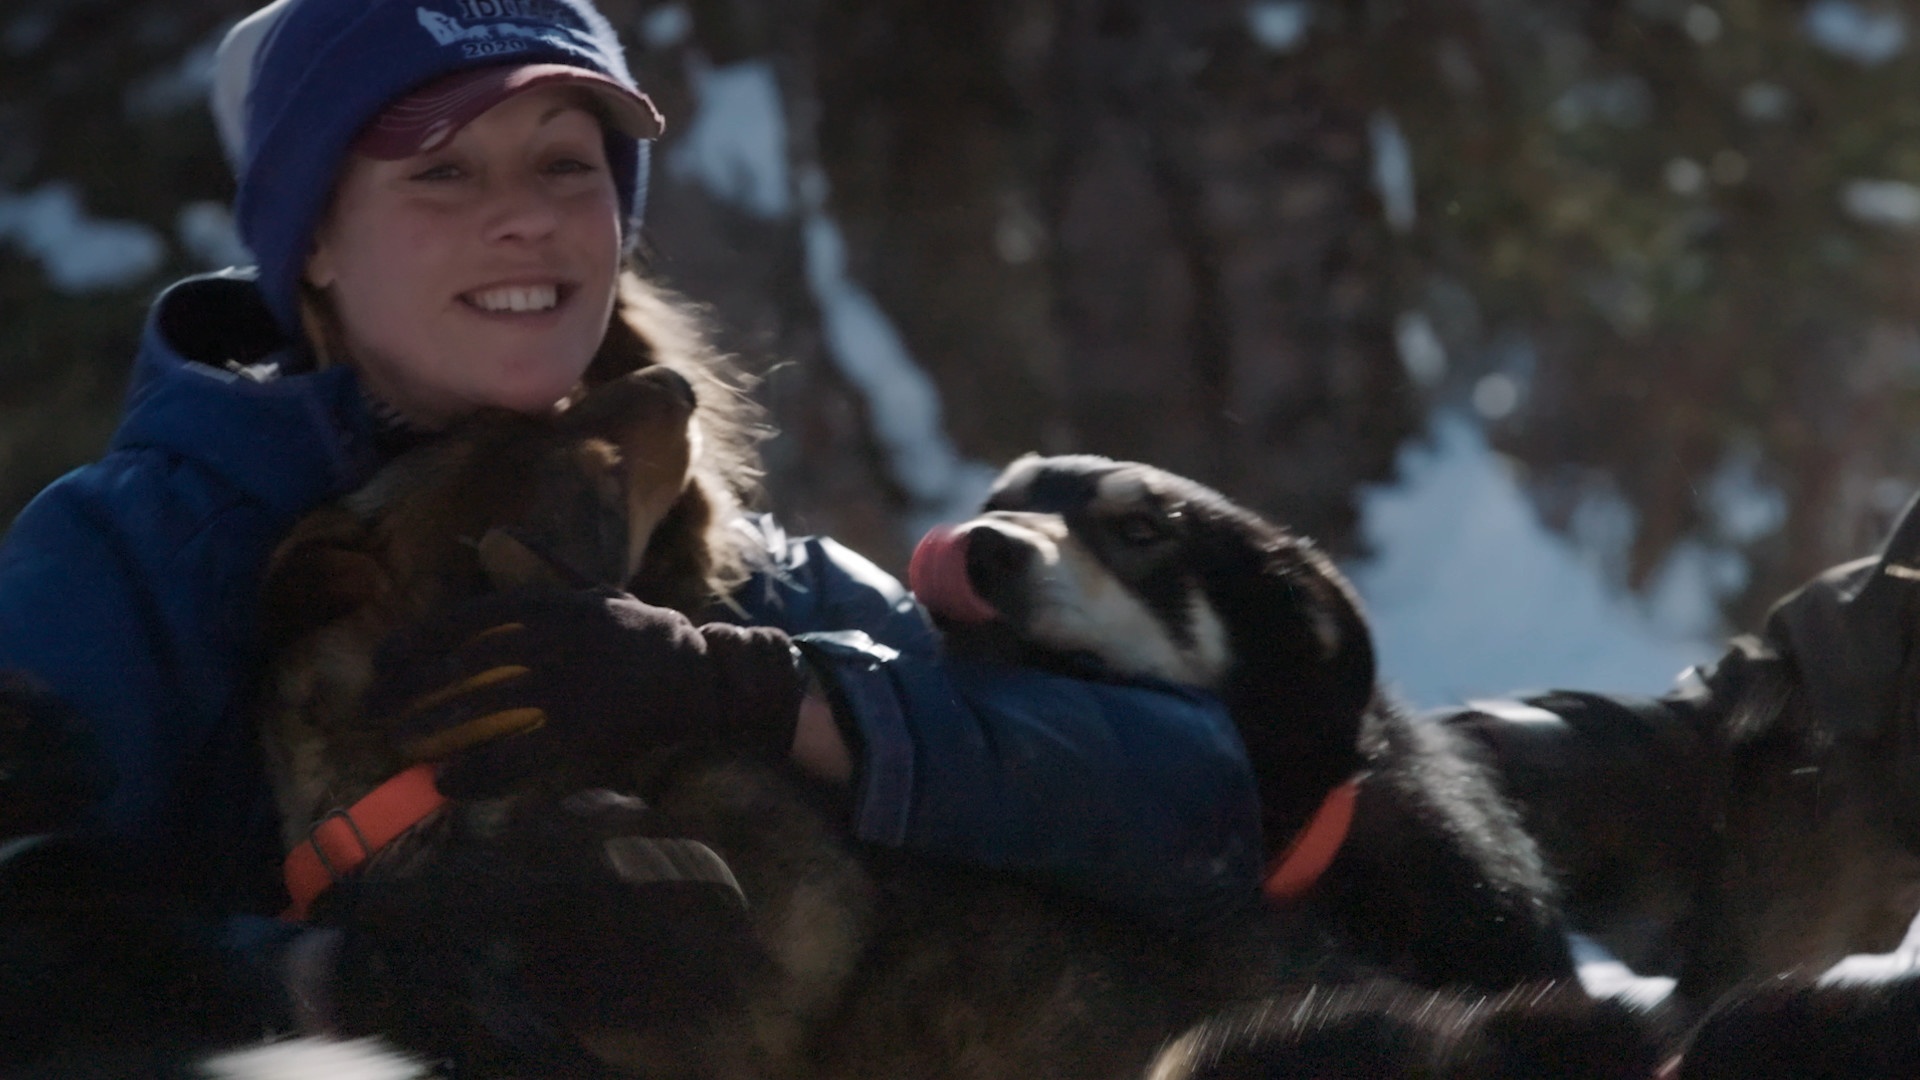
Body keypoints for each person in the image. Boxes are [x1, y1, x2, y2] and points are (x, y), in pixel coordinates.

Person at [0, 0, 1261, 1022]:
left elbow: (1199, 805)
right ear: (311, 238)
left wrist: (756, 693)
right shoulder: (130, 555)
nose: (529, 217)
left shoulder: (728, 561)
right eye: (442, 170)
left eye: (567, 163)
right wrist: (360, 988)